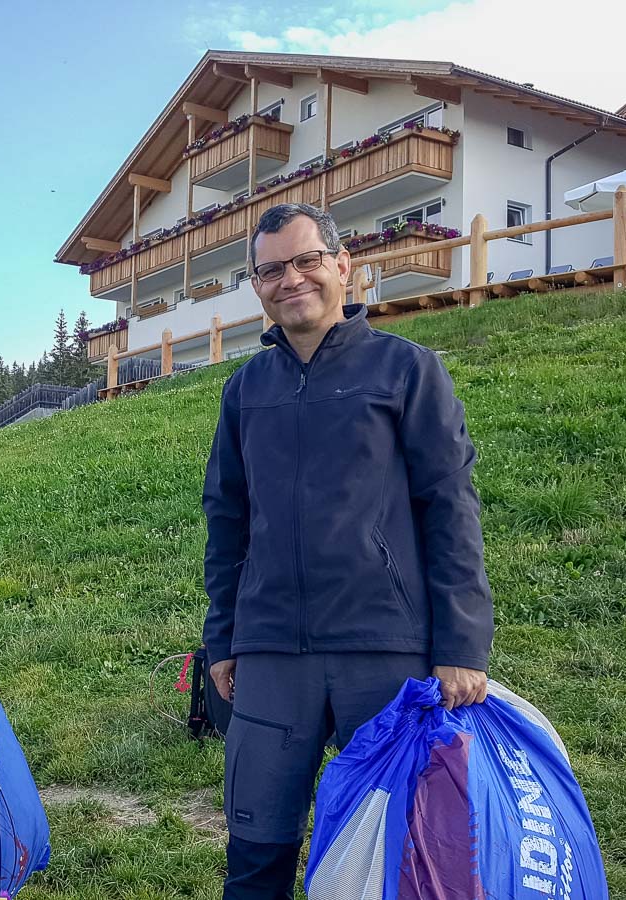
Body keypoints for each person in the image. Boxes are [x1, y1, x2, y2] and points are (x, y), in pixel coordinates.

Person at [202, 203, 494, 898]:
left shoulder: (407, 369)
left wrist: (462, 643)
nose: (290, 279)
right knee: (254, 859)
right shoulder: (244, 390)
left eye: (306, 260)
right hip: (271, 654)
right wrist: (224, 638)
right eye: (271, 270)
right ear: (257, 285)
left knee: (395, 862)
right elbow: (227, 519)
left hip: (385, 651)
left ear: (342, 265)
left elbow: (450, 509)